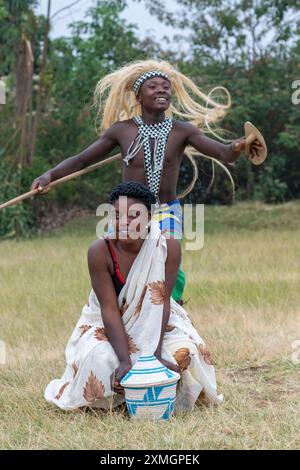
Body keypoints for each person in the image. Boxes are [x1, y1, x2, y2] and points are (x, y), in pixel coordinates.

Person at [31, 59, 262, 302]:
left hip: (165, 209)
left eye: (166, 86)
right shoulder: (122, 131)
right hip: (128, 212)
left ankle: (172, 308)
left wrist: (238, 146)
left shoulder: (183, 131)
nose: (161, 89)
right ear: (139, 96)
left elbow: (224, 153)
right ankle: (115, 309)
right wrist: (49, 176)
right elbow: (81, 160)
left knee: (168, 256)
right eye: (153, 86)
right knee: (113, 257)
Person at [44, 182, 223, 412]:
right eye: (117, 215)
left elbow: (163, 301)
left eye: (133, 216)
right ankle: (119, 401)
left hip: (157, 321)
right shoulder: (100, 252)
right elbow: (108, 309)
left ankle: (156, 396)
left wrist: (154, 355)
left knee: (186, 352)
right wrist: (125, 361)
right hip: (108, 324)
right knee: (99, 358)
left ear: (149, 217)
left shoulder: (167, 246)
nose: (124, 223)